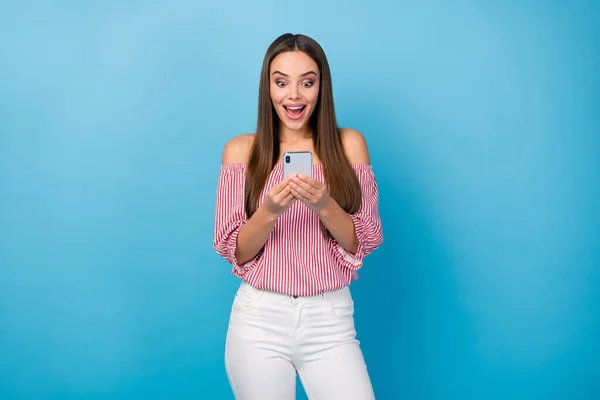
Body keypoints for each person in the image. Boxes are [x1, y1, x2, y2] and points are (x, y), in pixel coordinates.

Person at [213, 33, 383, 400]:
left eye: (307, 82)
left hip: (330, 318)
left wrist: (324, 203)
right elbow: (236, 250)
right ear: (268, 88)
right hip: (259, 318)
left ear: (322, 87)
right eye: (281, 82)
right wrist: (271, 209)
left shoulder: (348, 144)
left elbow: (362, 240)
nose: (294, 95)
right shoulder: (241, 151)